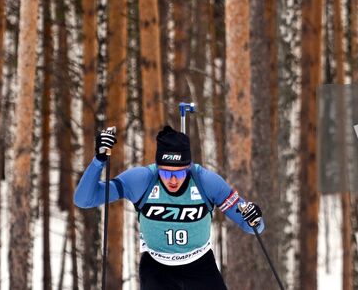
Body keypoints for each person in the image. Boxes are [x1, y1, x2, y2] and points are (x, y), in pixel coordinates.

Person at [74, 123, 266, 289]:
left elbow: (252, 226)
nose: (173, 180)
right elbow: (84, 200)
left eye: (180, 174)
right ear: (157, 167)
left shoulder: (206, 182)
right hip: (157, 269)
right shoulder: (142, 180)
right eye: (166, 174)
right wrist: (98, 161)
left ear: (188, 168)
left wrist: (254, 218)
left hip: (200, 266)